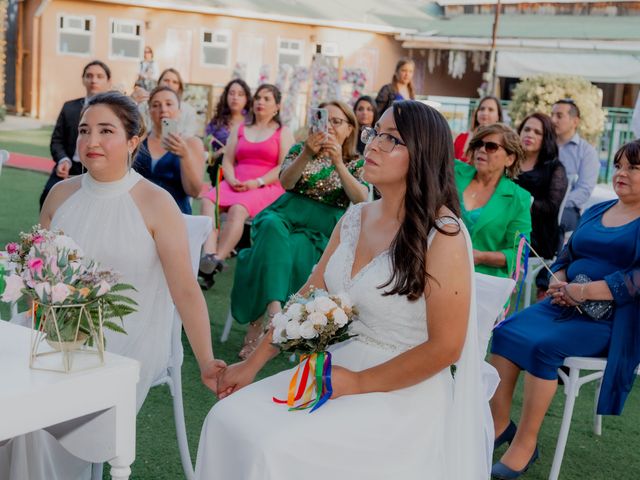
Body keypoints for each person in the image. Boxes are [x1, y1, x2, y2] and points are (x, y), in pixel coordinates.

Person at [194, 100, 495, 480]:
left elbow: (445, 348)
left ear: (423, 155)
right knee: (226, 417)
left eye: (392, 139)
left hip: (402, 389)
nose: (372, 146)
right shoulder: (355, 217)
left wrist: (360, 383)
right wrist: (251, 365)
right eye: (375, 134)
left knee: (274, 447)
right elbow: (306, 295)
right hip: (337, 368)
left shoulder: (444, 235)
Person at [1, 91, 226, 480]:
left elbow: (186, 290)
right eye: (85, 130)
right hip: (52, 332)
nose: (91, 141)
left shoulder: (155, 203)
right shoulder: (59, 194)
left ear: (133, 141)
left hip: (126, 339)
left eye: (106, 131)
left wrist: (206, 361)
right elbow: (36, 268)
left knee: (35, 421)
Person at [489, 140, 640, 479]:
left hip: (613, 319)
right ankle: (500, 424)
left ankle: (525, 445)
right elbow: (566, 257)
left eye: (633, 167)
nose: (621, 173)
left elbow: (635, 282)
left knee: (545, 347)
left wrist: (582, 291)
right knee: (505, 332)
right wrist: (558, 281)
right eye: (618, 166)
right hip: (564, 301)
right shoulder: (596, 211)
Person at [230, 100, 368, 359]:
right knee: (270, 227)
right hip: (284, 214)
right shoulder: (298, 149)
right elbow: (285, 182)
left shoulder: (356, 162)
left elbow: (361, 198)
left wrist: (338, 162)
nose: (328, 127)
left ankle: (258, 327)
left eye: (336, 122)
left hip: (319, 229)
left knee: (285, 250)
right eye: (323, 120)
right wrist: (306, 153)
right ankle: (274, 314)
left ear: (350, 128)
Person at [198, 84, 294, 288]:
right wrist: (231, 179)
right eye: (258, 97)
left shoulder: (283, 132)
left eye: (267, 99)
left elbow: (283, 166)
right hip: (236, 181)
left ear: (277, 106)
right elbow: (228, 160)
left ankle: (217, 260)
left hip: (265, 186)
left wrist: (257, 182)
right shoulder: (240, 128)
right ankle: (208, 254)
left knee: (238, 209)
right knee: (208, 201)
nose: (260, 102)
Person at [454, 123, 532, 278]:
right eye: (478, 145)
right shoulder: (454, 171)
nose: (482, 150)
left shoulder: (519, 198)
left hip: (483, 279)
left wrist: (481, 257)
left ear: (509, 159)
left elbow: (518, 253)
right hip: (441, 267)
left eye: (491, 146)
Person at [39, 60, 112, 209]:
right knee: (48, 194)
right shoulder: (69, 107)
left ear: (108, 81)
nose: (94, 80)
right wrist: (63, 160)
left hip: (99, 168)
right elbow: (56, 141)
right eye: (89, 75)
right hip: (71, 166)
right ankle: (47, 232)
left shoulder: (114, 112)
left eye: (99, 76)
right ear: (83, 79)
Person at [133, 86, 204, 214]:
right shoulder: (138, 141)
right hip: (139, 214)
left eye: (169, 104)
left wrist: (185, 156)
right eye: (156, 105)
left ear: (179, 110)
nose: (163, 109)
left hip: (176, 215)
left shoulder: (192, 143)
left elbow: (194, 192)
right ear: (149, 111)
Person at [551, 99, 600, 236]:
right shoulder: (545, 146)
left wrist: (555, 203)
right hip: (538, 204)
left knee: (557, 221)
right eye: (552, 115)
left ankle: (554, 258)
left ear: (575, 121)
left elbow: (584, 190)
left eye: (559, 116)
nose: (553, 120)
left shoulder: (587, 152)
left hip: (568, 208)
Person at [204, 78, 252, 184]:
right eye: (231, 93)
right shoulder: (216, 124)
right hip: (219, 174)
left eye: (240, 94)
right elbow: (207, 156)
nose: (235, 97)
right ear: (226, 97)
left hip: (247, 176)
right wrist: (220, 152)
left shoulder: (253, 122)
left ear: (247, 98)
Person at [132, 67, 200, 137]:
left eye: (175, 82)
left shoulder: (189, 111)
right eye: (166, 80)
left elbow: (189, 135)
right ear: (159, 83)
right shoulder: (144, 106)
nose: (170, 84)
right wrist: (133, 101)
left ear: (179, 87)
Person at [454, 95, 503, 164]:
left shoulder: (502, 142)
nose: (485, 113)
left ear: (498, 116)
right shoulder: (461, 138)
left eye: (490, 110)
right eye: (482, 109)